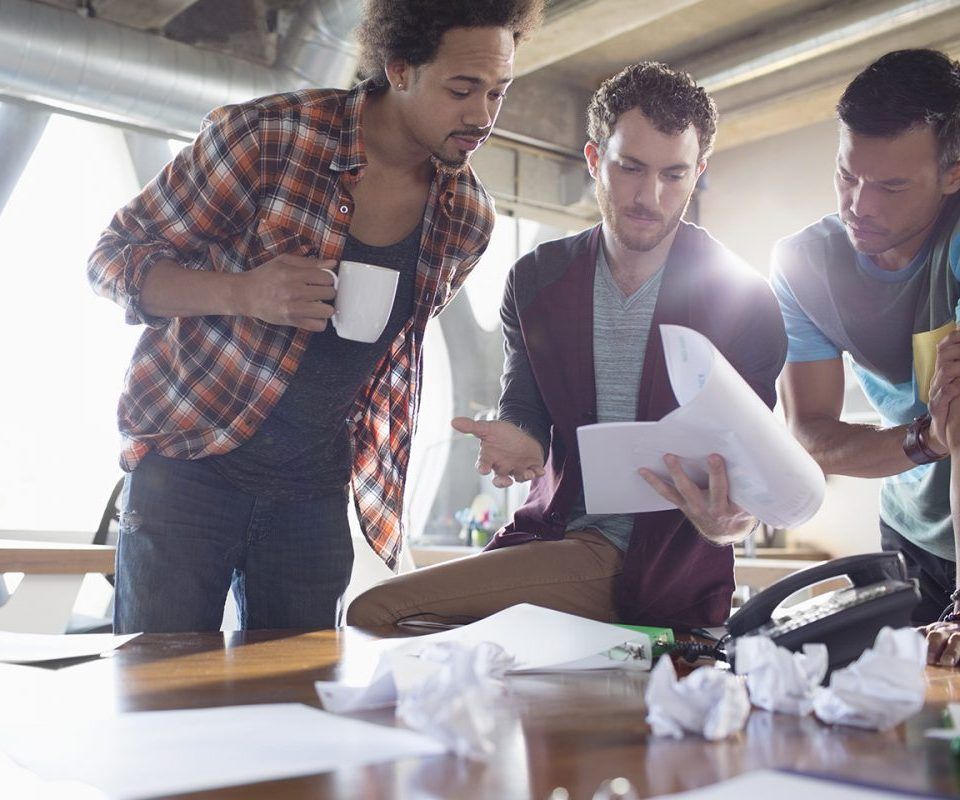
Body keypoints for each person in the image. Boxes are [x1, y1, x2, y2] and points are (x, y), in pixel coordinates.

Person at [87, 0, 545, 634]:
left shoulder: (467, 217)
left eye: (499, 92)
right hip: (190, 470)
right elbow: (112, 260)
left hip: (312, 497)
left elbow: (378, 356)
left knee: (297, 710)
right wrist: (243, 293)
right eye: (462, 89)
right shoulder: (270, 137)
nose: (482, 116)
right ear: (400, 69)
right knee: (157, 700)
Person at [347, 62, 788, 630]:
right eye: (630, 168)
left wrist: (726, 522)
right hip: (553, 539)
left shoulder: (746, 300)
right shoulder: (536, 279)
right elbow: (525, 409)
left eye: (674, 175)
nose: (649, 196)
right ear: (593, 159)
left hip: (658, 571)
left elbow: (746, 483)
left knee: (377, 610)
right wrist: (517, 440)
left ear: (698, 171)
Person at [771, 49, 960, 665]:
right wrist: (926, 440)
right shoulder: (804, 265)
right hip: (911, 537)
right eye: (848, 175)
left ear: (953, 173)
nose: (860, 204)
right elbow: (813, 435)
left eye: (891, 186)